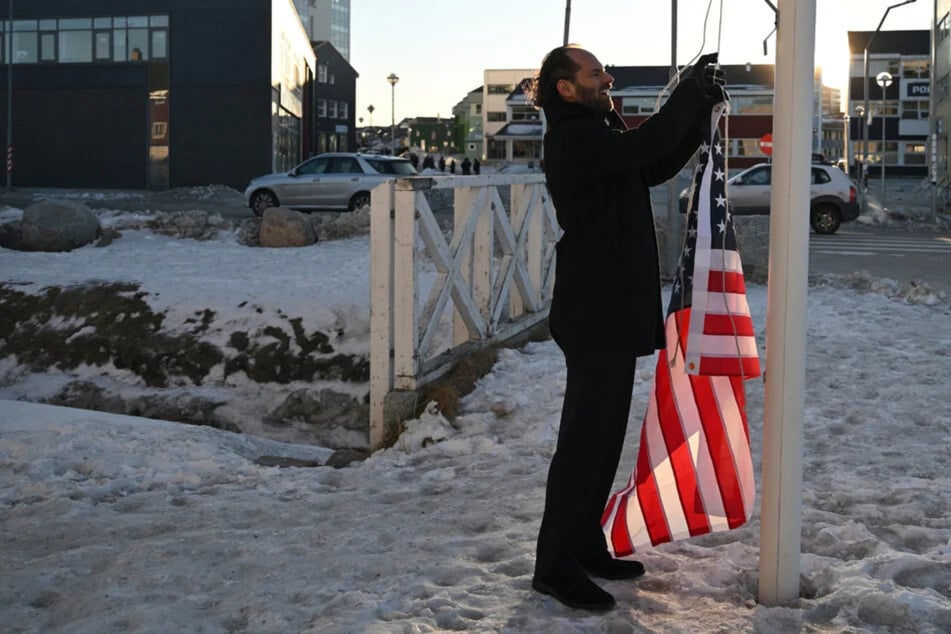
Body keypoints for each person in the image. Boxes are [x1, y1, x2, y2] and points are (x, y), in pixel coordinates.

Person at [529, 45, 726, 612]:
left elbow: (653, 163)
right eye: (596, 73)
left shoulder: (595, 129)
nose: (607, 77)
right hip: (594, 312)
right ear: (567, 88)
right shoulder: (574, 137)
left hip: (608, 308)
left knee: (603, 438)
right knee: (582, 446)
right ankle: (554, 565)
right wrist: (690, 88)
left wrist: (698, 114)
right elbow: (646, 146)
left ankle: (585, 543)